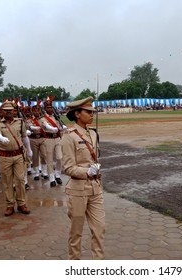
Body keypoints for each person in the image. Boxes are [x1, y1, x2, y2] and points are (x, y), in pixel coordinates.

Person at [61, 96, 105, 260]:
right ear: (77, 114)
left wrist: (95, 169)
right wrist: (87, 172)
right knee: (76, 234)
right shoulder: (69, 136)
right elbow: (68, 167)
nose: (92, 114)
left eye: (92, 111)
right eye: (88, 112)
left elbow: (95, 158)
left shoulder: (93, 134)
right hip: (78, 190)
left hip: (95, 188)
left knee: (99, 230)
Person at [0, 101, 33, 217]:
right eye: (6, 110)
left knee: (20, 180)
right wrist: (0, 138)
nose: (9, 112)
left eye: (10, 110)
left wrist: (29, 150)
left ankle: (21, 203)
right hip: (5, 156)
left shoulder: (20, 122)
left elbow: (24, 137)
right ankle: (10, 205)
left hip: (18, 155)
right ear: (2, 112)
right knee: (7, 181)